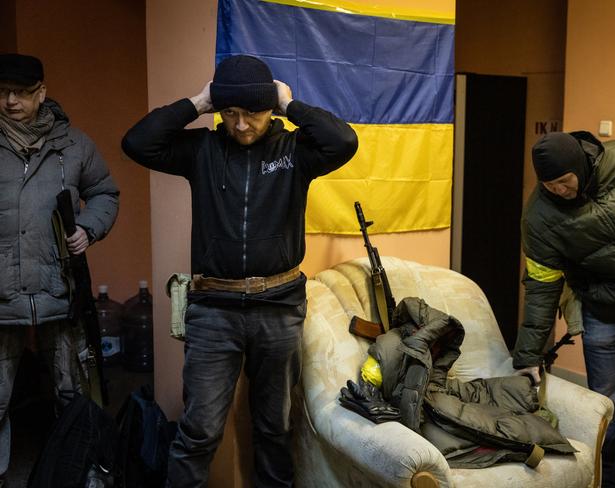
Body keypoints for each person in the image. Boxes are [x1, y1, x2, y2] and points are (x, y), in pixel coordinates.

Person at [122, 54, 358, 487]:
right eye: (230, 113)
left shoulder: (295, 153)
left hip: (280, 309)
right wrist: (197, 102)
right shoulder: (202, 151)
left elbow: (343, 142)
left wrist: (290, 106)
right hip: (214, 311)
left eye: (253, 113)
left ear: (271, 111)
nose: (242, 125)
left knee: (274, 429)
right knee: (198, 432)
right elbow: (137, 143)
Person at [0, 53, 119, 485]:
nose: (10, 101)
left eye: (21, 93)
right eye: (2, 92)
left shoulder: (74, 145)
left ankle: (75, 475)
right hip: (2, 294)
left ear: (42, 94)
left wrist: (89, 227)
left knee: (74, 396)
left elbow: (106, 192)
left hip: (60, 290)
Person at [512, 130, 615, 487]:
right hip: (605, 309)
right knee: (605, 411)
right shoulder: (539, 219)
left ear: (579, 166)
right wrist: (528, 355)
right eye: (547, 184)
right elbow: (542, 286)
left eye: (562, 180)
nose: (557, 189)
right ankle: (606, 479)